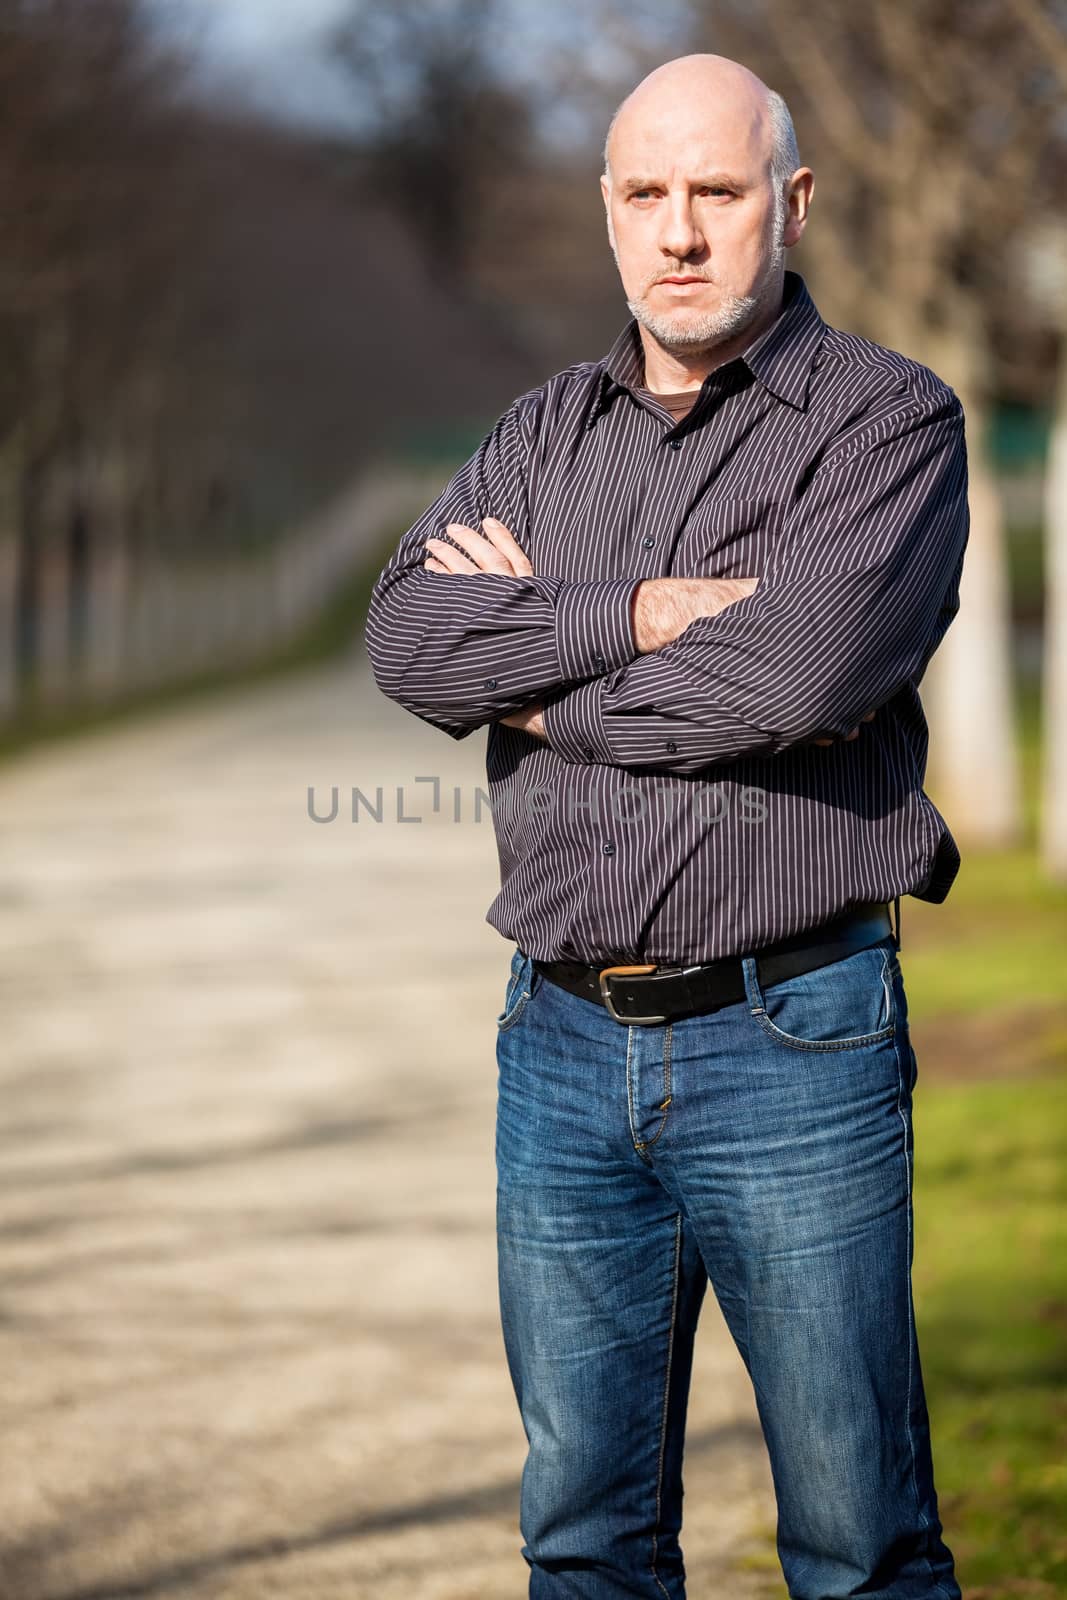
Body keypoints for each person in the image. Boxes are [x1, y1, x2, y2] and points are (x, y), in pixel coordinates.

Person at [364, 51, 967, 1600]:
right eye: (647, 194)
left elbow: (807, 675)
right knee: (581, 1539)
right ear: (609, 213)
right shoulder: (546, 431)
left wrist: (550, 687)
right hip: (558, 1048)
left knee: (856, 1539)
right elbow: (411, 643)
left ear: (794, 202)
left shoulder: (886, 425)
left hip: (795, 1041)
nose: (681, 232)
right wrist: (637, 610)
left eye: (717, 191)